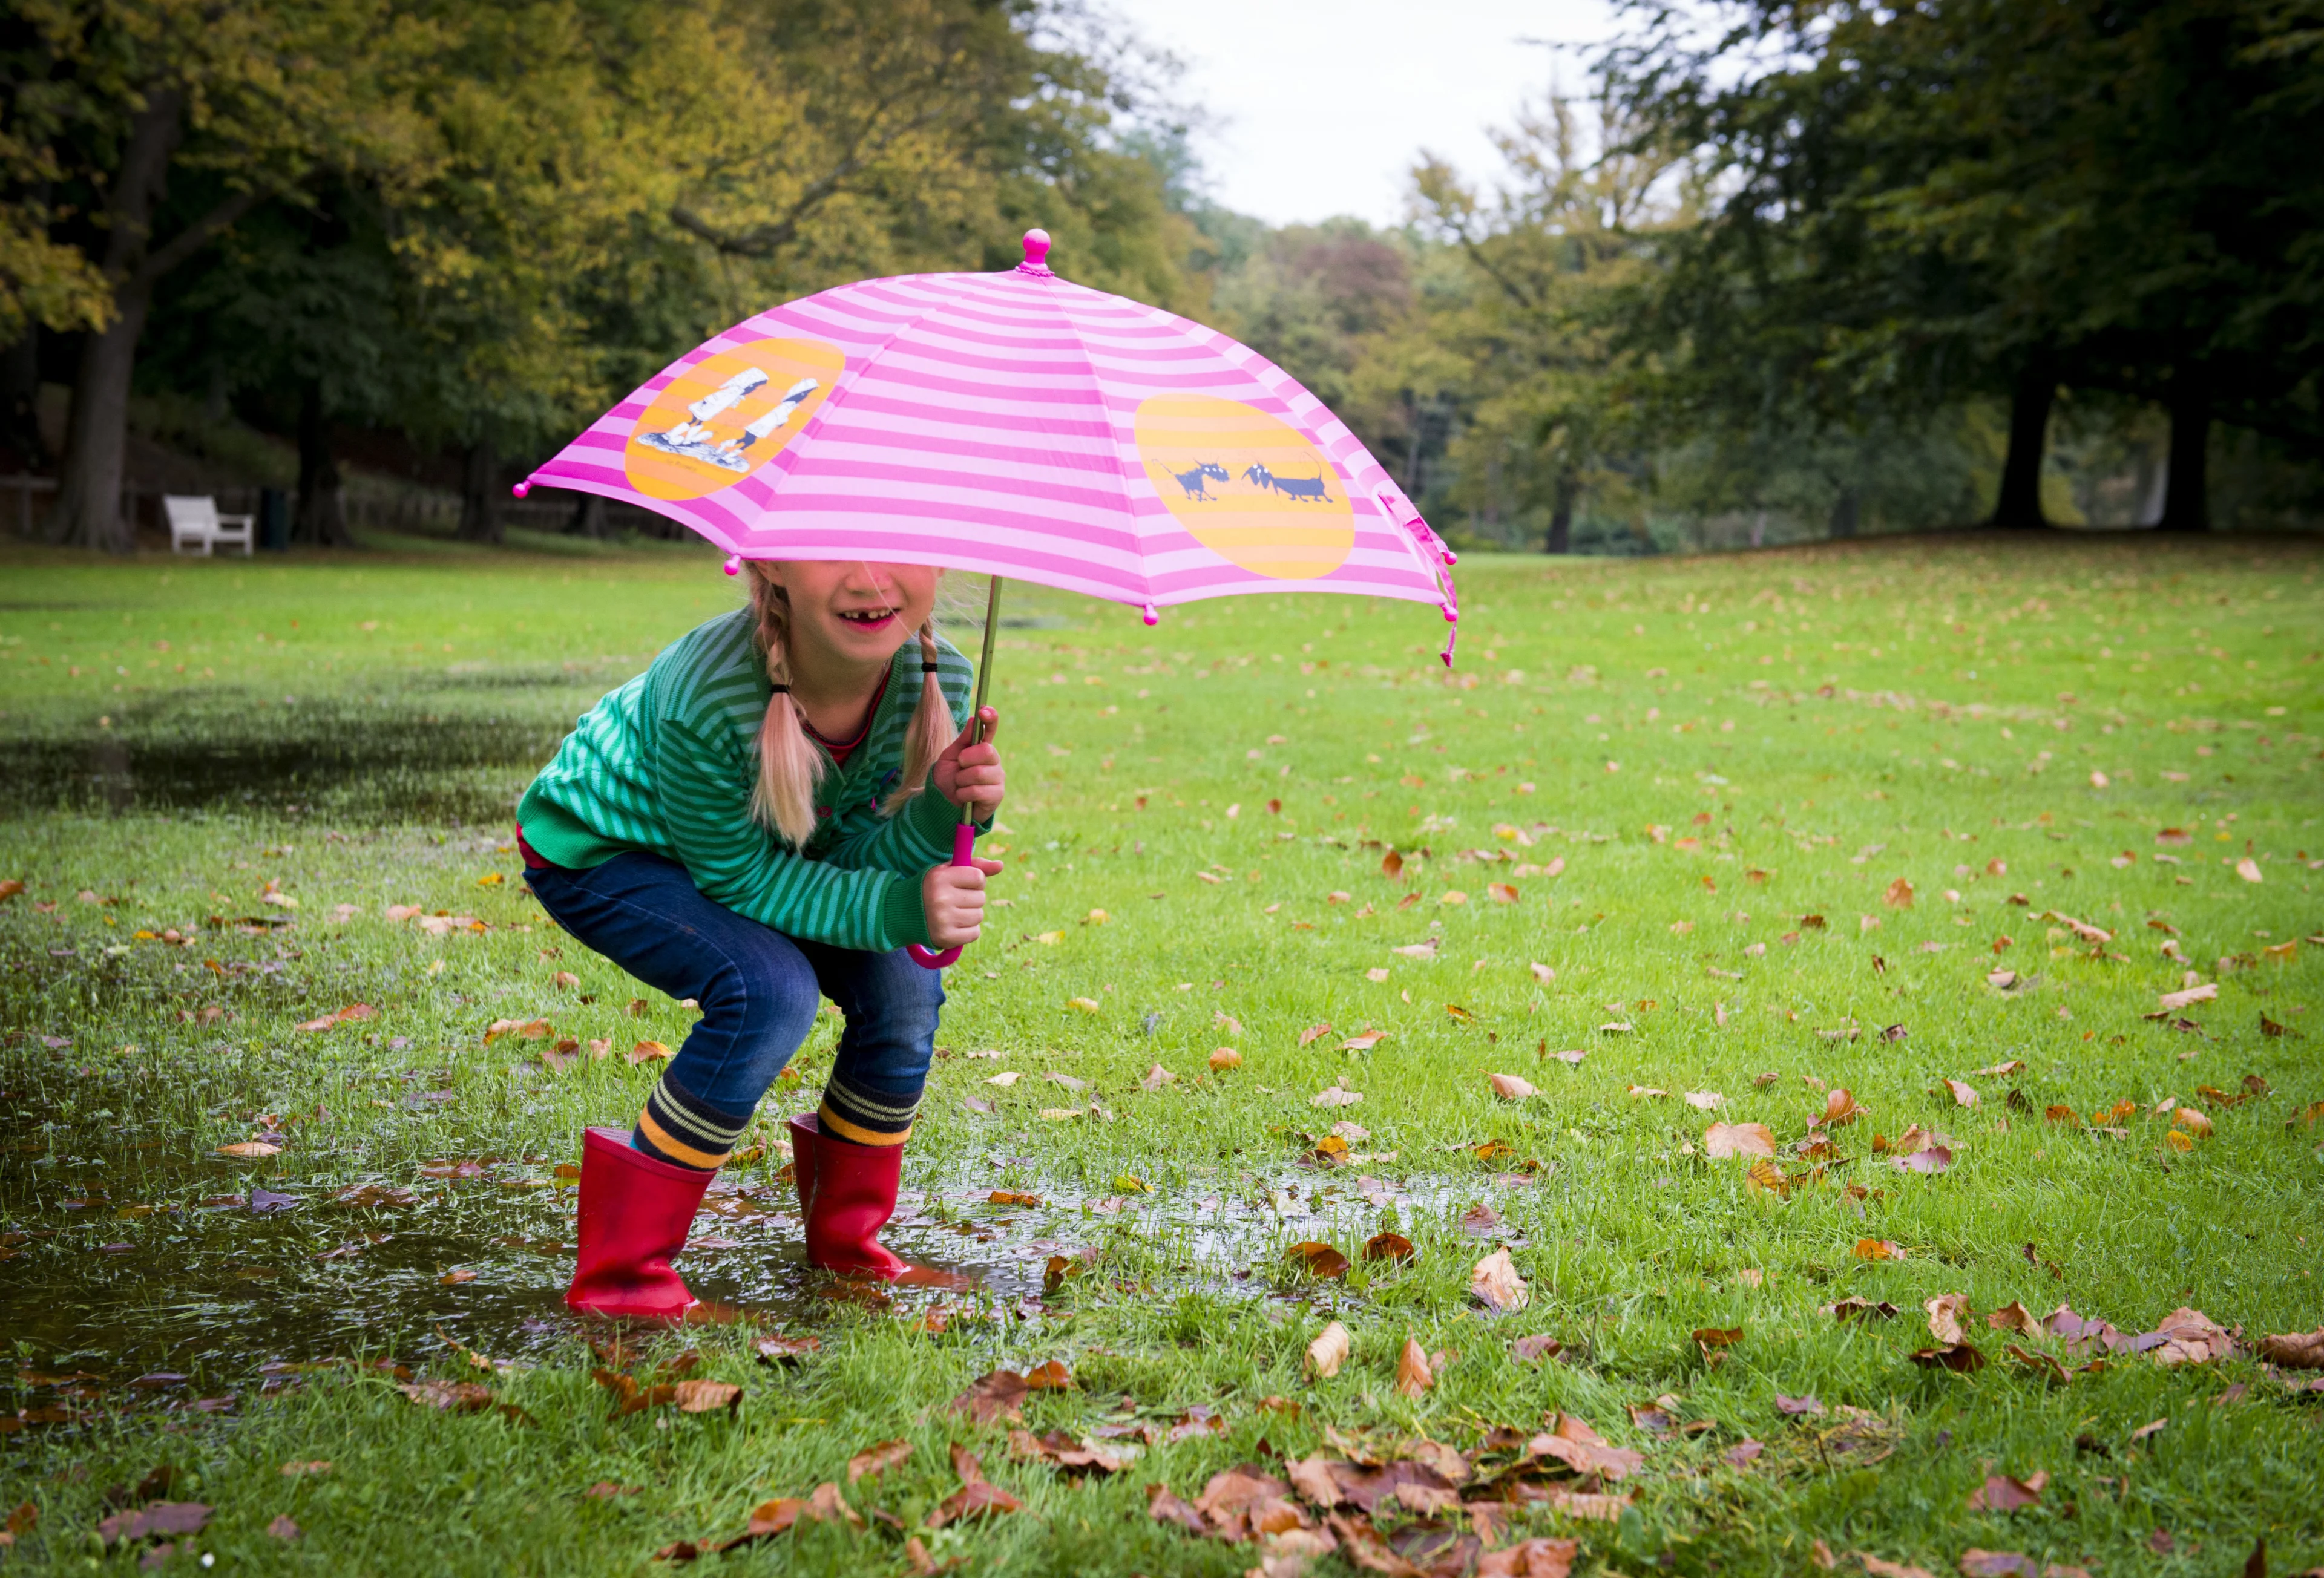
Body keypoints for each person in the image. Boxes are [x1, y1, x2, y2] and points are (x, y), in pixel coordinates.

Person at [514, 560, 1004, 1320]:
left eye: (897, 545)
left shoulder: (937, 680)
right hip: (609, 850)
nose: (869, 578)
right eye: (835, 544)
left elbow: (846, 855)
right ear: (772, 562)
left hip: (770, 857)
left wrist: (944, 811)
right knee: (769, 993)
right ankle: (625, 1281)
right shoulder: (705, 691)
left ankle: (849, 1251)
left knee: (906, 988)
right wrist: (908, 909)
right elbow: (747, 884)